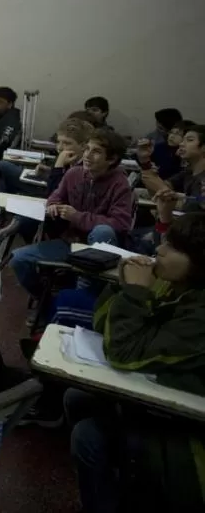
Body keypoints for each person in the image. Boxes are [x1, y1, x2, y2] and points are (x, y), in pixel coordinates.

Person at [66, 212, 205, 513]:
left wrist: (135, 291)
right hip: (161, 394)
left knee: (88, 437)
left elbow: (122, 353)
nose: (159, 250)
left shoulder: (200, 315)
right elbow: (104, 325)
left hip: (190, 432)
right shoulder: (175, 285)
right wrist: (122, 285)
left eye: (174, 248)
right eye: (166, 240)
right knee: (76, 397)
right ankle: (119, 489)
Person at [10, 130, 133, 299]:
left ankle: (83, 297)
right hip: (71, 243)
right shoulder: (74, 173)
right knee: (18, 258)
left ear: (111, 159)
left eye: (96, 152)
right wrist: (54, 205)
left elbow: (120, 223)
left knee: (102, 231)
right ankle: (46, 302)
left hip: (99, 248)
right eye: (87, 149)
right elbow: (56, 196)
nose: (88, 155)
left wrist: (77, 217)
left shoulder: (120, 184)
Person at [137, 119, 194, 186]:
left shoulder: (187, 156)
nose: (172, 136)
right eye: (171, 132)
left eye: (178, 134)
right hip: (152, 183)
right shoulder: (160, 147)